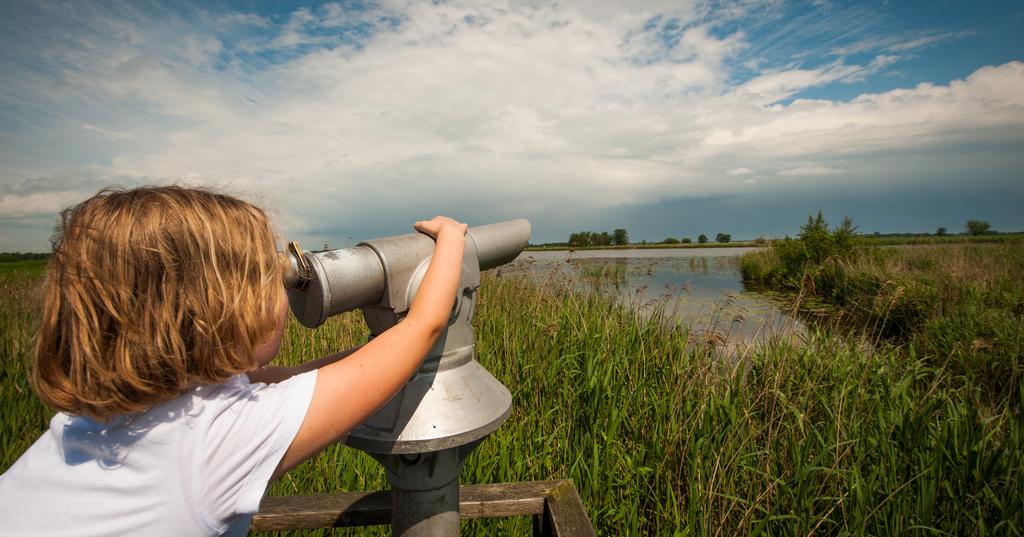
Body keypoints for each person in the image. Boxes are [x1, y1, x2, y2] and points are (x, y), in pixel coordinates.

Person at [0, 186, 468, 536]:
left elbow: (297, 379)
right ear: (219, 309)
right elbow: (420, 330)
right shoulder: (212, 443)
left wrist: (383, 346)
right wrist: (451, 241)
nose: (287, 292)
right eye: (273, 280)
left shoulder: (92, 419)